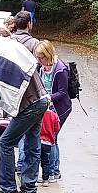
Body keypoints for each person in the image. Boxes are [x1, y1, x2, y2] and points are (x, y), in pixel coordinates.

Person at [0, 28, 49, 193]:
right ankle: (29, 191)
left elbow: (0, 73)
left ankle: (9, 190)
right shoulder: (10, 46)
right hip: (41, 99)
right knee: (32, 144)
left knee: (5, 142)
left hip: (30, 104)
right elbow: (7, 73)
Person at [34, 40, 72, 181]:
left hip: (59, 109)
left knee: (52, 139)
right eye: (38, 57)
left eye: (41, 57)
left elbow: (62, 92)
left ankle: (53, 171)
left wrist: (48, 98)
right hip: (46, 107)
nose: (39, 60)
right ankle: (51, 170)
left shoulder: (60, 69)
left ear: (48, 55)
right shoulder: (40, 67)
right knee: (47, 139)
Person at [11, 11, 41, 173]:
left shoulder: (9, 42)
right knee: (33, 137)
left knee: (15, 131)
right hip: (33, 93)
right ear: (30, 24)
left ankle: (19, 164)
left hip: (14, 92)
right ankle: (28, 174)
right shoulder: (34, 43)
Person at [39, 108, 61, 185]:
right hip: (48, 142)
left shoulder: (38, 113)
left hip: (38, 141)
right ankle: (46, 179)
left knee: (35, 160)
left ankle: (34, 179)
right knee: (46, 162)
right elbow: (57, 128)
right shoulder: (53, 115)